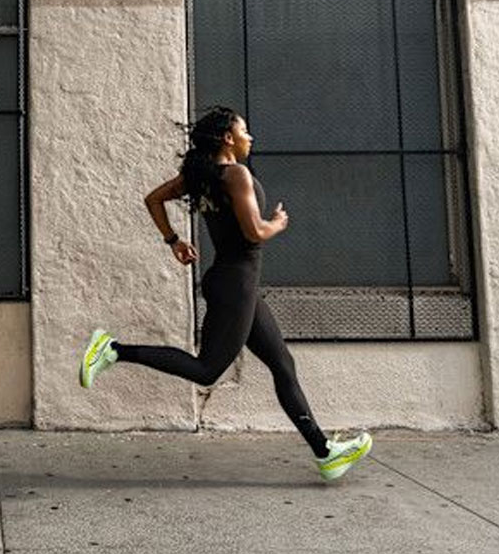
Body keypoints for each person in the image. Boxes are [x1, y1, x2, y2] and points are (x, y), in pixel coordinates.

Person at [78, 106, 372, 482]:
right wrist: (277, 223)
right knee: (207, 370)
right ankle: (113, 350)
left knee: (282, 363)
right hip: (236, 284)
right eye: (244, 131)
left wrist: (173, 240)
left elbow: (152, 199)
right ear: (228, 139)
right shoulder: (236, 175)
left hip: (233, 282)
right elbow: (255, 233)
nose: (251, 137)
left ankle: (325, 452)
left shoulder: (201, 177)